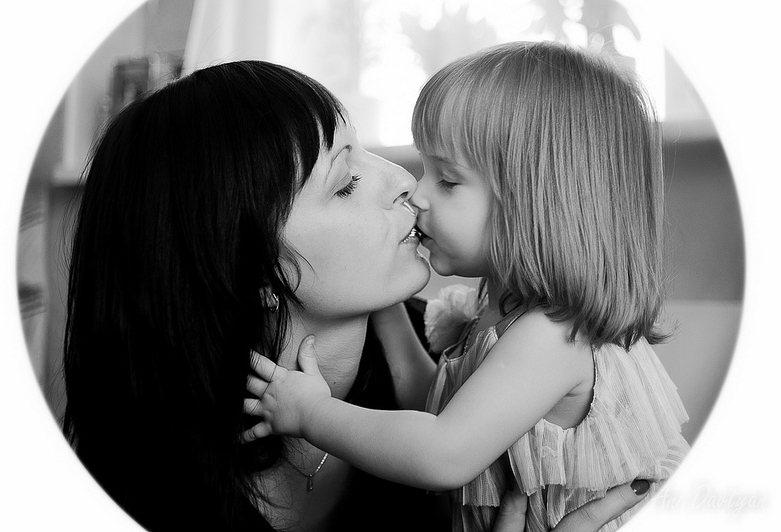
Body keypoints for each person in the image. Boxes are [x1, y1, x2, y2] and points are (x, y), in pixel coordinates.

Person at [62, 58, 647, 532]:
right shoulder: (126, 493)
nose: (404, 183)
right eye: (345, 183)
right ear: (253, 273)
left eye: (447, 178)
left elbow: (437, 432)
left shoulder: (469, 334)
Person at [244, 41, 690, 532]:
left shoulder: (553, 334)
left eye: (448, 180)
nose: (416, 191)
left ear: (535, 204)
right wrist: (389, 310)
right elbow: (436, 405)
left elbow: (440, 452)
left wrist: (312, 413)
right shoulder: (500, 306)